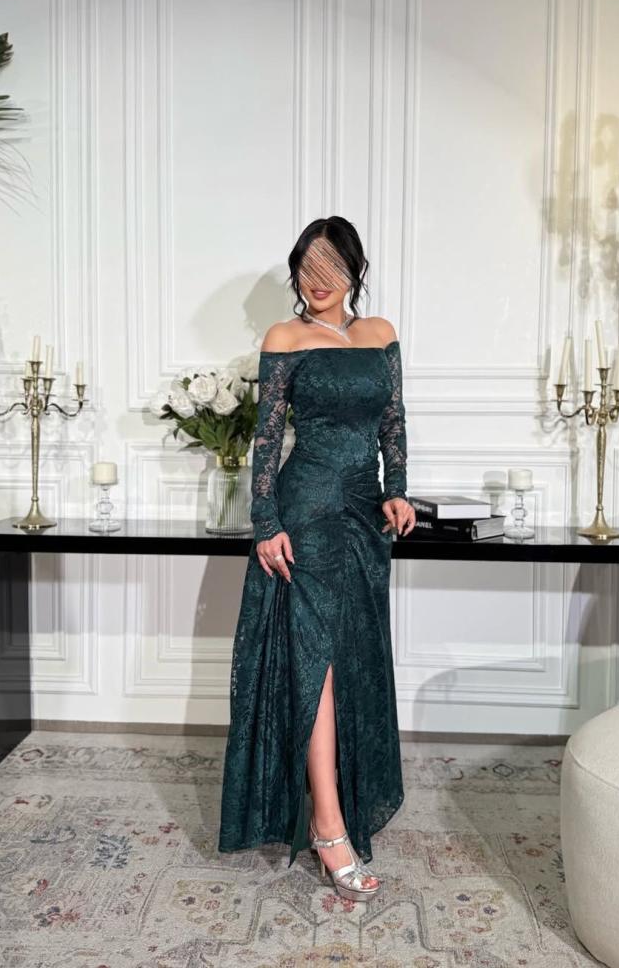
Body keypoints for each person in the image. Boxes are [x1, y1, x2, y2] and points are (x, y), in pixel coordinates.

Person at [217, 215, 415, 901]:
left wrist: (397, 490)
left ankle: (340, 807)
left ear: (354, 270)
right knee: (316, 663)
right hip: (305, 510)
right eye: (307, 267)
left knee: (353, 655)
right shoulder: (285, 337)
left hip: (364, 513)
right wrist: (265, 522)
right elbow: (266, 440)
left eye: (330, 266)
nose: (317, 279)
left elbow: (393, 421)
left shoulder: (380, 333)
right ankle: (329, 827)